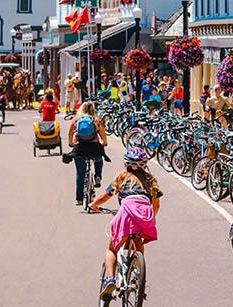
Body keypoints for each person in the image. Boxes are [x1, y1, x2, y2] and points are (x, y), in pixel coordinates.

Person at [89, 147, 162, 302]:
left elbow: (105, 196)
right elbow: (156, 205)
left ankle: (110, 280)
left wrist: (93, 205)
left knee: (112, 249)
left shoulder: (122, 177)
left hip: (126, 212)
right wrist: (149, 218)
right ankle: (137, 273)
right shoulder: (150, 180)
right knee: (138, 242)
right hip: (144, 215)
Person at [67, 102, 108, 206]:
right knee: (99, 159)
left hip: (80, 148)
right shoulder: (96, 120)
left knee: (80, 173)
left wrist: (71, 143)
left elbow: (70, 133)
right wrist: (104, 143)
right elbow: (103, 134)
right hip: (94, 147)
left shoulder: (76, 120)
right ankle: (98, 175)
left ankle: (80, 198)